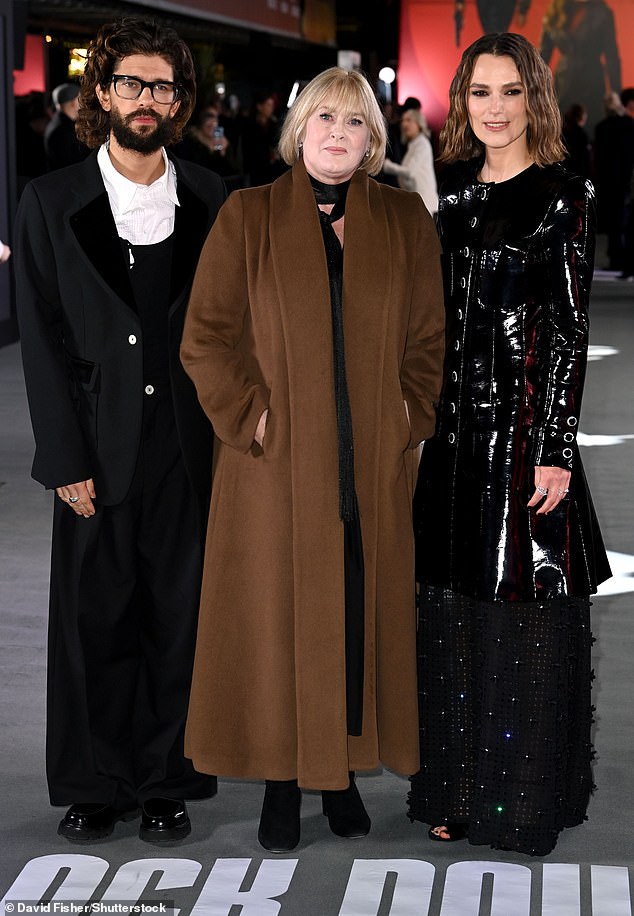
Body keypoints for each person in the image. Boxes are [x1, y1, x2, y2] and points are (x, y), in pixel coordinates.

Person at [180, 66, 445, 852]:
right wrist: (252, 419)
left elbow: (429, 341)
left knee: (358, 617)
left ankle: (342, 774)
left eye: (355, 122)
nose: (338, 133)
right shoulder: (248, 215)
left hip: (371, 466)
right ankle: (282, 782)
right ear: (299, 129)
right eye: (324, 118)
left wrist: (408, 416)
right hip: (275, 469)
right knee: (277, 622)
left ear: (373, 140)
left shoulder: (403, 220)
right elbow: (206, 339)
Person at [14, 17, 225, 844]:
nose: (147, 99)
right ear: (102, 93)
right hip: (93, 448)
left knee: (178, 617)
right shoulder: (52, 200)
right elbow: (41, 338)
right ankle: (96, 781)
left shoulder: (214, 195)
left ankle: (166, 777)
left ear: (179, 102)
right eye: (131, 83)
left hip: (188, 446)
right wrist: (63, 454)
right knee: (92, 620)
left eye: (163, 86)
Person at [408, 32, 611, 857]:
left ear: (534, 99)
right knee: (454, 618)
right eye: (479, 93)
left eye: (508, 92)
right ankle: (457, 790)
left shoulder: (563, 195)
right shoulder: (449, 201)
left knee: (523, 625)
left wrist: (556, 446)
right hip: (450, 447)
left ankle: (519, 805)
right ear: (462, 103)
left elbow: (568, 331)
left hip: (524, 440)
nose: (493, 108)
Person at [540, 0, 621, 132]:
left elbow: (612, 57)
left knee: (589, 132)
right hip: (563, 84)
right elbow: (543, 56)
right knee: (559, 134)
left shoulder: (603, 13)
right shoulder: (555, 11)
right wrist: (531, 91)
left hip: (592, 85)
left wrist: (617, 95)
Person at [382, 107, 439, 215]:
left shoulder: (422, 143)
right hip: (417, 204)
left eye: (409, 120)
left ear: (419, 123)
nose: (404, 124)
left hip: (425, 205)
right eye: (403, 120)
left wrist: (387, 165)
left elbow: (409, 172)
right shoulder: (413, 145)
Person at [173, 103, 241, 178]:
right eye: (209, 117)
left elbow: (234, 171)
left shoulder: (221, 142)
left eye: (216, 118)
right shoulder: (190, 140)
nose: (214, 122)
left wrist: (224, 152)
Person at [44, 82, 89, 170]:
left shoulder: (57, 123)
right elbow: (69, 163)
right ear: (73, 102)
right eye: (80, 99)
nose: (83, 103)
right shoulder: (62, 130)